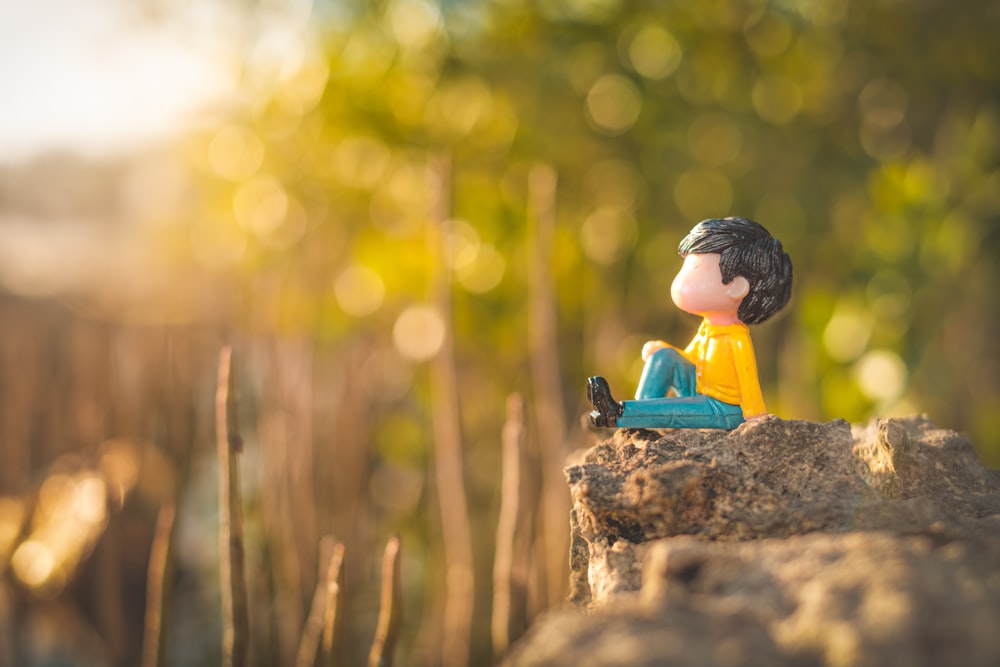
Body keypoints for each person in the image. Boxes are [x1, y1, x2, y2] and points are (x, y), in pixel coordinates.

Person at [587, 216, 792, 429]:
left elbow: (749, 382)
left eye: (695, 270)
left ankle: (617, 413)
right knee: (664, 356)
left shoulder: (737, 338)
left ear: (737, 287)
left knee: (676, 410)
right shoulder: (708, 328)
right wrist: (664, 350)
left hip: (723, 409)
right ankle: (638, 415)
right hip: (699, 390)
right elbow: (691, 357)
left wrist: (756, 416)